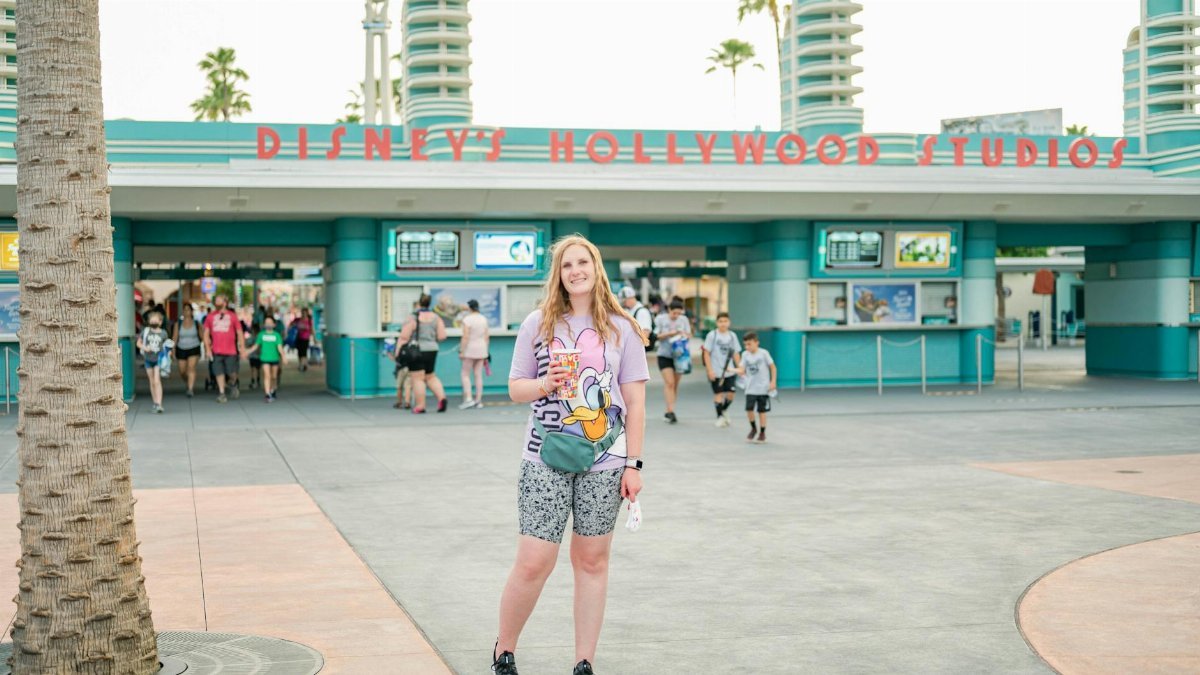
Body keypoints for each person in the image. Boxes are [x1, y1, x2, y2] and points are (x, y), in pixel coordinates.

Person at [496, 234, 648, 675]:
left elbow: (635, 402)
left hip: (605, 462)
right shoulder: (538, 323)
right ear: (558, 275)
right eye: (567, 265)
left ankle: (584, 662)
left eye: (583, 262)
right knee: (534, 561)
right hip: (543, 457)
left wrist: (633, 465)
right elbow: (514, 388)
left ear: (596, 267)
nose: (575, 270)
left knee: (592, 560)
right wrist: (546, 382)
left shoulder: (623, 328)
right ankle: (504, 650)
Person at [397, 293, 448, 413]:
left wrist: (398, 351)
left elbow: (404, 337)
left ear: (419, 303)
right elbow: (442, 336)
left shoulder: (413, 317)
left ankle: (420, 406)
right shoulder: (436, 317)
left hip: (417, 351)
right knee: (431, 376)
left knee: (417, 378)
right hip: (432, 350)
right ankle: (442, 398)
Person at [202, 294, 245, 404]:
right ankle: (222, 393)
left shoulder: (232, 316)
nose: (216, 302)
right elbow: (206, 334)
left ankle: (233, 382)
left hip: (231, 350)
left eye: (218, 300)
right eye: (215, 300)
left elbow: (239, 332)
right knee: (218, 372)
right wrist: (207, 349)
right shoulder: (210, 317)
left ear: (225, 302)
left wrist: (242, 348)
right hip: (216, 350)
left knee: (232, 372)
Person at [653, 299, 691, 424]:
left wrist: (682, 335)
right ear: (669, 310)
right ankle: (670, 412)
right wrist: (670, 333)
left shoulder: (683, 320)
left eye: (679, 313)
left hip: (680, 356)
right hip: (664, 355)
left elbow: (689, 335)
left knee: (675, 384)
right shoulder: (661, 319)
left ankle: (669, 409)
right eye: (674, 313)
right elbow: (656, 335)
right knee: (669, 383)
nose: (676, 316)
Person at [702, 312, 741, 428]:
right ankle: (719, 417)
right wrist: (710, 370)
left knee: (731, 393)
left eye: (725, 321)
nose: (723, 324)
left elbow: (736, 353)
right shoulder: (712, 335)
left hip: (729, 371)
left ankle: (724, 410)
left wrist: (740, 368)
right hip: (716, 370)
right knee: (718, 394)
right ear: (717, 323)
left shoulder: (732, 336)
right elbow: (706, 353)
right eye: (720, 321)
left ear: (729, 322)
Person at [738, 331, 777, 444]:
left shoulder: (764, 353)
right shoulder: (745, 354)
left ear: (757, 343)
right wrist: (732, 370)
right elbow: (741, 369)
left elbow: (773, 368)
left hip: (763, 388)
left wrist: (773, 382)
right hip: (750, 388)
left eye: (749, 344)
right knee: (749, 410)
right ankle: (753, 428)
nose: (747, 347)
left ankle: (762, 433)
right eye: (745, 344)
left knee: (762, 411)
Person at [458, 299, 490, 409]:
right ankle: (478, 400)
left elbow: (465, 336)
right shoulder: (483, 319)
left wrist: (462, 350)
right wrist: (486, 350)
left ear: (470, 308)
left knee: (465, 374)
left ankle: (468, 399)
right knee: (478, 374)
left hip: (470, 349)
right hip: (482, 349)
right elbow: (486, 336)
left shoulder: (467, 319)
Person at [246, 316, 286, 402]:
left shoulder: (277, 335)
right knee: (267, 375)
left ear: (274, 324)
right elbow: (256, 346)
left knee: (274, 376)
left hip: (275, 358)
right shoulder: (261, 335)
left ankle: (273, 389)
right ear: (264, 324)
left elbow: (279, 348)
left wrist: (283, 356)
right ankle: (267, 394)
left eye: (270, 322)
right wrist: (247, 352)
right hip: (264, 358)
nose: (268, 324)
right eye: (266, 322)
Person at [138, 310, 168, 414]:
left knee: (156, 380)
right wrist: (145, 348)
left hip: (158, 359)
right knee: (151, 381)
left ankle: (159, 404)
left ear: (160, 322)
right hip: (148, 359)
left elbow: (166, 346)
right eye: (152, 319)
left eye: (156, 320)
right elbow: (139, 343)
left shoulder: (163, 333)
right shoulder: (146, 331)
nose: (154, 321)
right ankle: (155, 402)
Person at [172, 307, 203, 398]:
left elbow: (202, 336)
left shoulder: (197, 323)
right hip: (181, 348)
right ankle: (189, 381)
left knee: (191, 368)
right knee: (182, 371)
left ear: (191, 311)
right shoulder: (178, 324)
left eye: (188, 310)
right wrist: (173, 350)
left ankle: (190, 389)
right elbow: (175, 337)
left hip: (194, 347)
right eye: (184, 310)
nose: (186, 311)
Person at [617, 286, 654, 351]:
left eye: (624, 301)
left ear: (630, 298)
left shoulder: (642, 312)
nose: (623, 304)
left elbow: (645, 334)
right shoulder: (630, 310)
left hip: (637, 350)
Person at [293, 308, 314, 372]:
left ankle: (302, 365)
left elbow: (312, 329)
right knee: (299, 352)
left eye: (305, 313)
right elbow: (292, 324)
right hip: (298, 337)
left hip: (305, 338)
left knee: (304, 352)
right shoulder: (298, 320)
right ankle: (302, 364)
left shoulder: (309, 321)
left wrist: (314, 338)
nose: (304, 314)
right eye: (303, 312)